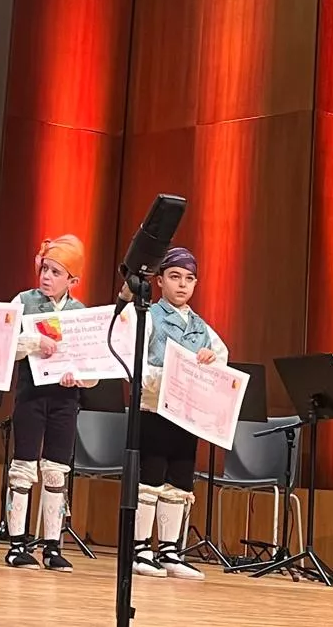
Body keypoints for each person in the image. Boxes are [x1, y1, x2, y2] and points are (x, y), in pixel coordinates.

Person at [134, 246, 228, 581]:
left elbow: (222, 358)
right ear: (160, 281)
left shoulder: (202, 327)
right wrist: (168, 374)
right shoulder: (148, 317)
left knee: (179, 479)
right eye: (174, 277)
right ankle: (140, 547)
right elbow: (138, 366)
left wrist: (207, 360)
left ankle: (170, 550)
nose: (182, 285)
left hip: (186, 416)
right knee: (151, 478)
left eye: (189, 279)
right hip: (155, 410)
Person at [6, 235, 94, 572]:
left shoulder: (80, 313)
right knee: (24, 466)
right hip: (31, 393)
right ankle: (16, 543)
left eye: (56, 272)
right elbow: (5, 344)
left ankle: (52, 545)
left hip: (65, 399)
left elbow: (91, 367)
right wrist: (32, 342)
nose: (46, 277)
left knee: (56, 470)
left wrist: (79, 376)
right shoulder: (24, 301)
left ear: (73, 280)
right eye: (45, 268)